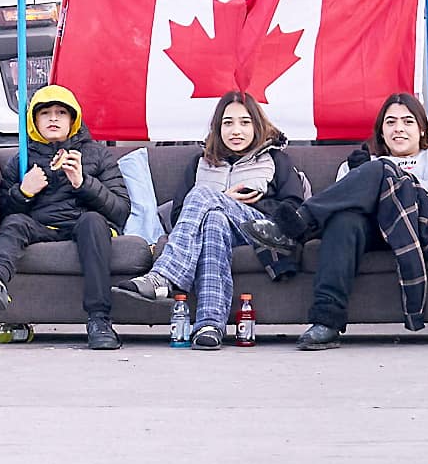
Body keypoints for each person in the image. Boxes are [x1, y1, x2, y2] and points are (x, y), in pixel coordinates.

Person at [242, 93, 428, 350]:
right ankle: (326, 320)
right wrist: (356, 172)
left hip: (418, 226)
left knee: (383, 170)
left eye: (408, 122)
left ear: (422, 129)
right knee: (344, 221)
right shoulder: (366, 163)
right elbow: (340, 204)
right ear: (381, 131)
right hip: (375, 231)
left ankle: (295, 226)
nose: (398, 129)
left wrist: (389, 178)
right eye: (391, 122)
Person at [109, 91, 307, 350]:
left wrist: (237, 202)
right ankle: (209, 325)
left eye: (245, 122)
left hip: (260, 229)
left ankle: (164, 276)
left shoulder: (275, 159)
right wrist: (221, 200)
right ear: (218, 127)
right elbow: (179, 215)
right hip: (219, 231)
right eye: (228, 123)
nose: (236, 131)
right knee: (214, 221)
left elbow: (294, 208)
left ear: (257, 125)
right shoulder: (201, 162)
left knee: (202, 194)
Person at [0, 83, 130, 350]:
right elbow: (2, 213)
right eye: (45, 113)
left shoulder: (97, 154)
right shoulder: (22, 159)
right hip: (42, 227)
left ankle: (100, 321)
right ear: (34, 121)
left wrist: (83, 183)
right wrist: (23, 192)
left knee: (93, 221)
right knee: (14, 224)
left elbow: (120, 209)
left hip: (85, 225)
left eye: (61, 112)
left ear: (72, 120)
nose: (53, 118)